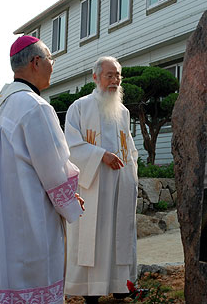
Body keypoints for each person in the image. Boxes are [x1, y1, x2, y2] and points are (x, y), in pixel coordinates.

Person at [0, 35, 84, 304]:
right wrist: (70, 200)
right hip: (28, 224)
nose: (53, 65)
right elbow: (54, 169)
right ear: (35, 62)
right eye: (50, 59)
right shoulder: (35, 107)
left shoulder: (1, 109)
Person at [64, 56, 139, 303]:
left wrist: (130, 173)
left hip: (119, 186)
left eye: (118, 75)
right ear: (96, 77)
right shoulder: (80, 107)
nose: (115, 80)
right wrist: (100, 156)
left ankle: (120, 285)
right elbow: (70, 145)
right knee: (93, 236)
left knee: (119, 233)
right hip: (93, 185)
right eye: (110, 75)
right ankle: (90, 290)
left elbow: (129, 147)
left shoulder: (124, 112)